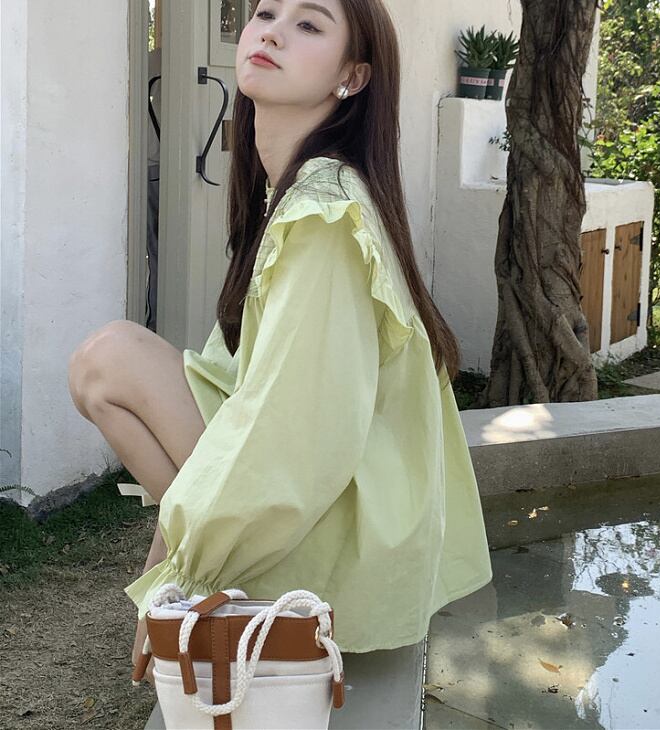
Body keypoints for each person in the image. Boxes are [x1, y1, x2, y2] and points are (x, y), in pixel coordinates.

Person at [67, 0, 492, 687]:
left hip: (337, 522)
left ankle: (231, 572)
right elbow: (232, 389)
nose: (271, 31)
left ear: (352, 76)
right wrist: (172, 569)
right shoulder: (294, 192)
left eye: (309, 24)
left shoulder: (324, 213)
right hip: (315, 492)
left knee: (108, 360)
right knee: (104, 362)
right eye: (266, 12)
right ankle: (217, 568)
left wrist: (181, 578)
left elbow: (296, 436)